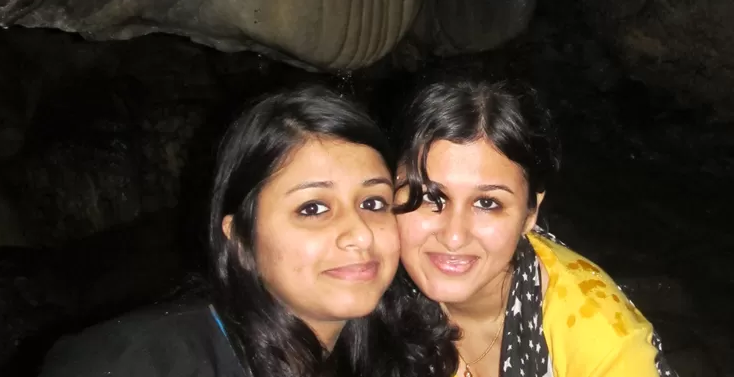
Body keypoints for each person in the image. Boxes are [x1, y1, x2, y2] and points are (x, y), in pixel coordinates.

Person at [40, 84, 456, 377]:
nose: (360, 234)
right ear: (239, 238)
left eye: (373, 203)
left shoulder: (398, 353)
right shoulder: (134, 362)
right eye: (313, 208)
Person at [393, 76, 677, 377]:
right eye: (429, 196)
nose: (453, 235)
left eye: (487, 203)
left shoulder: (602, 340)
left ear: (531, 213)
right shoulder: (365, 275)